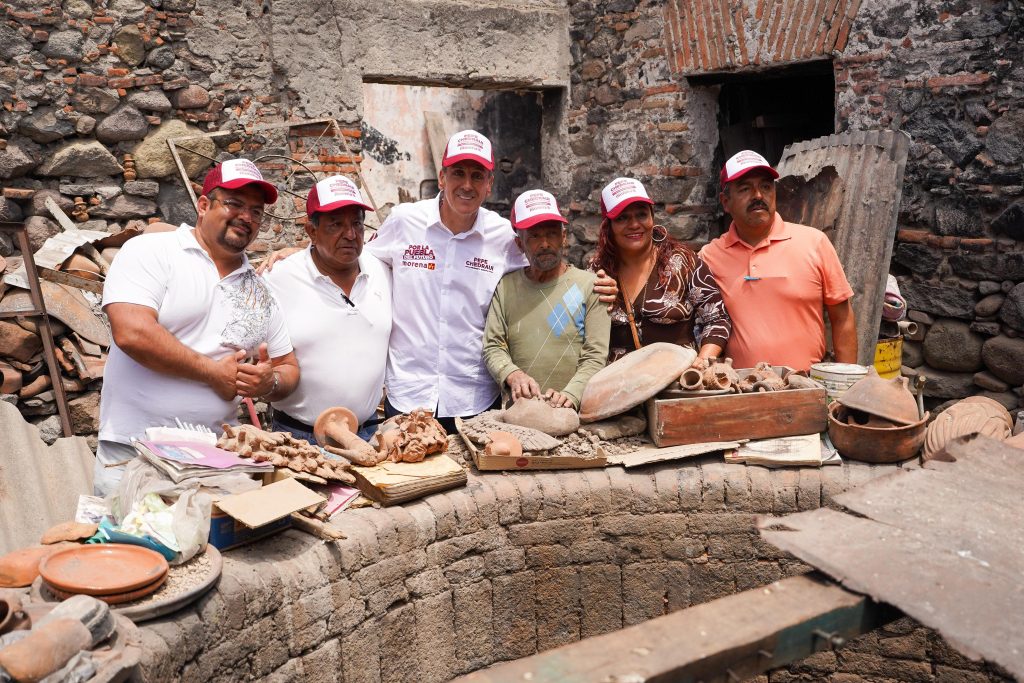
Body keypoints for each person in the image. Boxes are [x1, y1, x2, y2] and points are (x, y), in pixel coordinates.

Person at [97, 159, 299, 495]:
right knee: (131, 545)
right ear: (203, 205)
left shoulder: (261, 291)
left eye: (256, 211)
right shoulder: (152, 252)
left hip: (218, 458)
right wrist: (214, 374)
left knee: (212, 547)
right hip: (135, 451)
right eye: (234, 203)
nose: (246, 217)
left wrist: (269, 382)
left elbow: (288, 368)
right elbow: (132, 333)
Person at [700, 150, 857, 371]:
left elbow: (842, 318)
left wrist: (846, 385)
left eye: (765, 186)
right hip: (738, 392)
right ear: (726, 202)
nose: (758, 196)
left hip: (807, 387)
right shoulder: (710, 257)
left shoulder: (814, 243)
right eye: (745, 188)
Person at [262, 176, 391, 443]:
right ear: (311, 231)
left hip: (367, 434)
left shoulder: (381, 268)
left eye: (357, 223)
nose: (350, 234)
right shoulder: (279, 278)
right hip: (299, 439)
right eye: (336, 225)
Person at [483, 190, 610, 409]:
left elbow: (596, 354)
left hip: (577, 416)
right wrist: (512, 374)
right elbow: (493, 346)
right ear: (519, 244)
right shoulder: (506, 288)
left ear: (563, 237)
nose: (544, 244)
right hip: (520, 414)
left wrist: (572, 393)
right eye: (534, 236)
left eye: (551, 234)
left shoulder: (590, 286)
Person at [589, 177, 732, 366]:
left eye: (641, 214)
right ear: (608, 226)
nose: (634, 224)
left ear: (652, 217)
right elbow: (580, 333)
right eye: (622, 218)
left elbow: (717, 318)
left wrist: (702, 361)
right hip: (619, 388)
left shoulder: (682, 262)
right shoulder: (598, 272)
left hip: (677, 383)